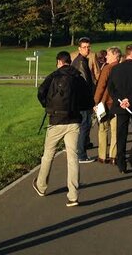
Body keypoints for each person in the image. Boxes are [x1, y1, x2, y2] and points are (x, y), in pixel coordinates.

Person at [33, 51, 93, 206]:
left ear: (58, 61)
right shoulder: (77, 77)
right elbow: (88, 98)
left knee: (48, 155)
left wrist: (48, 106)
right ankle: (73, 195)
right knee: (72, 158)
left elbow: (41, 92)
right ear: (69, 61)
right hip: (73, 121)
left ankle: (41, 185)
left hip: (56, 120)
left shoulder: (53, 76)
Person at [108, 44, 132, 174]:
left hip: (120, 105)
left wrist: (120, 100)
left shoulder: (116, 69)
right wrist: (129, 100)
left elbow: (111, 88)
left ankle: (121, 161)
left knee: (121, 134)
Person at [94, 47, 121, 164]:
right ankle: (113, 155)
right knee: (115, 131)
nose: (106, 57)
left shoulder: (107, 68)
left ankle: (102, 155)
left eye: (109, 55)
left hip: (105, 102)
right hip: (117, 103)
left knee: (103, 129)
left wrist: (95, 101)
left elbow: (101, 86)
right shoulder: (121, 68)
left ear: (115, 56)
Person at [72, 37, 97, 164]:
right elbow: (85, 84)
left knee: (82, 127)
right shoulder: (81, 62)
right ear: (79, 48)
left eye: (88, 47)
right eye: (85, 47)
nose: (87, 49)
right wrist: (92, 101)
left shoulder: (81, 61)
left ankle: (79, 151)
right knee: (84, 126)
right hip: (83, 101)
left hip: (81, 100)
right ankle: (81, 154)